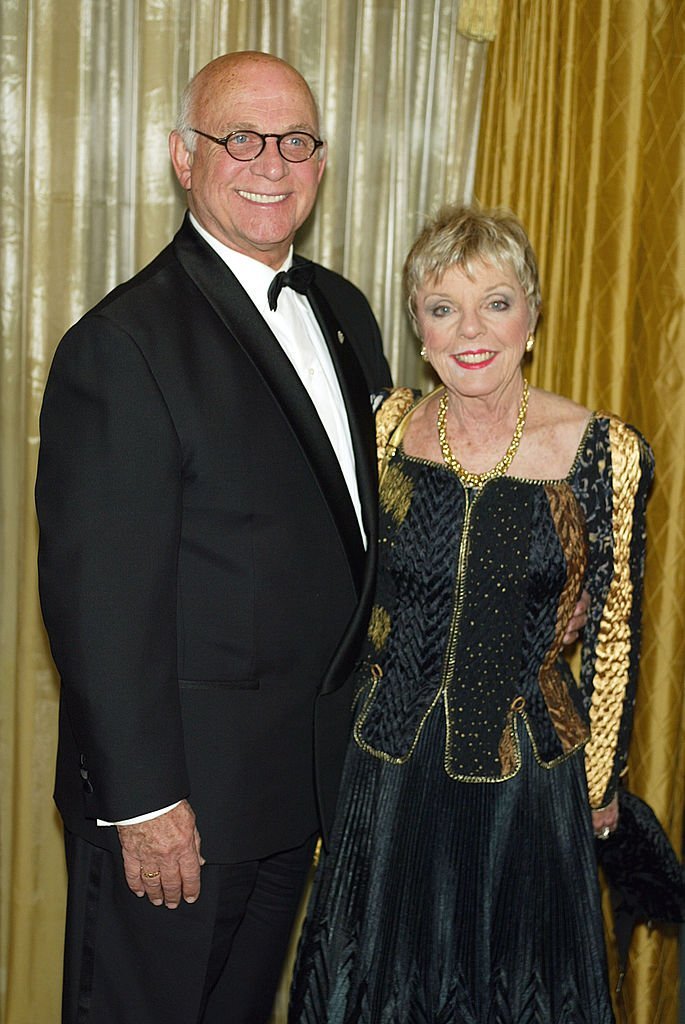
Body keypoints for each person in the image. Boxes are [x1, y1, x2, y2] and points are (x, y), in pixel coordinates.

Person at [35, 51, 393, 1024]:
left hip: (295, 787)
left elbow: (361, 534)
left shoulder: (348, 312)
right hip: (179, 808)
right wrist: (144, 803)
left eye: (294, 141)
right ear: (181, 158)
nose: (269, 161)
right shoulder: (124, 345)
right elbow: (97, 598)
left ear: (321, 162)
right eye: (240, 137)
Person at [289, 204, 654, 1023]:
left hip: (526, 785)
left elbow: (615, 628)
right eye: (442, 307)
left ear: (531, 315)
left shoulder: (604, 451)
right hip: (383, 774)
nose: (469, 329)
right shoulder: (382, 427)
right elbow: (330, 581)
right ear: (418, 329)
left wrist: (599, 783)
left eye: (495, 301)